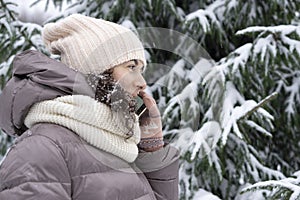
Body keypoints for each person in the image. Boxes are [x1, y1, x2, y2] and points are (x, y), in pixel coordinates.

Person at [0, 14, 179, 200]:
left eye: (141, 70)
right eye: (131, 67)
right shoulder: (42, 149)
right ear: (95, 71)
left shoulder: (115, 143)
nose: (142, 83)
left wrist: (152, 148)